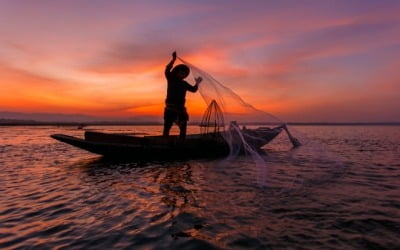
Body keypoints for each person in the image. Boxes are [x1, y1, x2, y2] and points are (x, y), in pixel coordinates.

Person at [163, 51, 202, 139]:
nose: (182, 74)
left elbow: (194, 89)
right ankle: (164, 141)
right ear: (176, 72)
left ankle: (182, 142)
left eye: (184, 73)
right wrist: (173, 59)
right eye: (181, 72)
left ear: (185, 75)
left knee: (183, 127)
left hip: (181, 109)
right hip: (170, 108)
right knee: (167, 127)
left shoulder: (184, 84)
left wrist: (197, 83)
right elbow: (167, 69)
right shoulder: (171, 79)